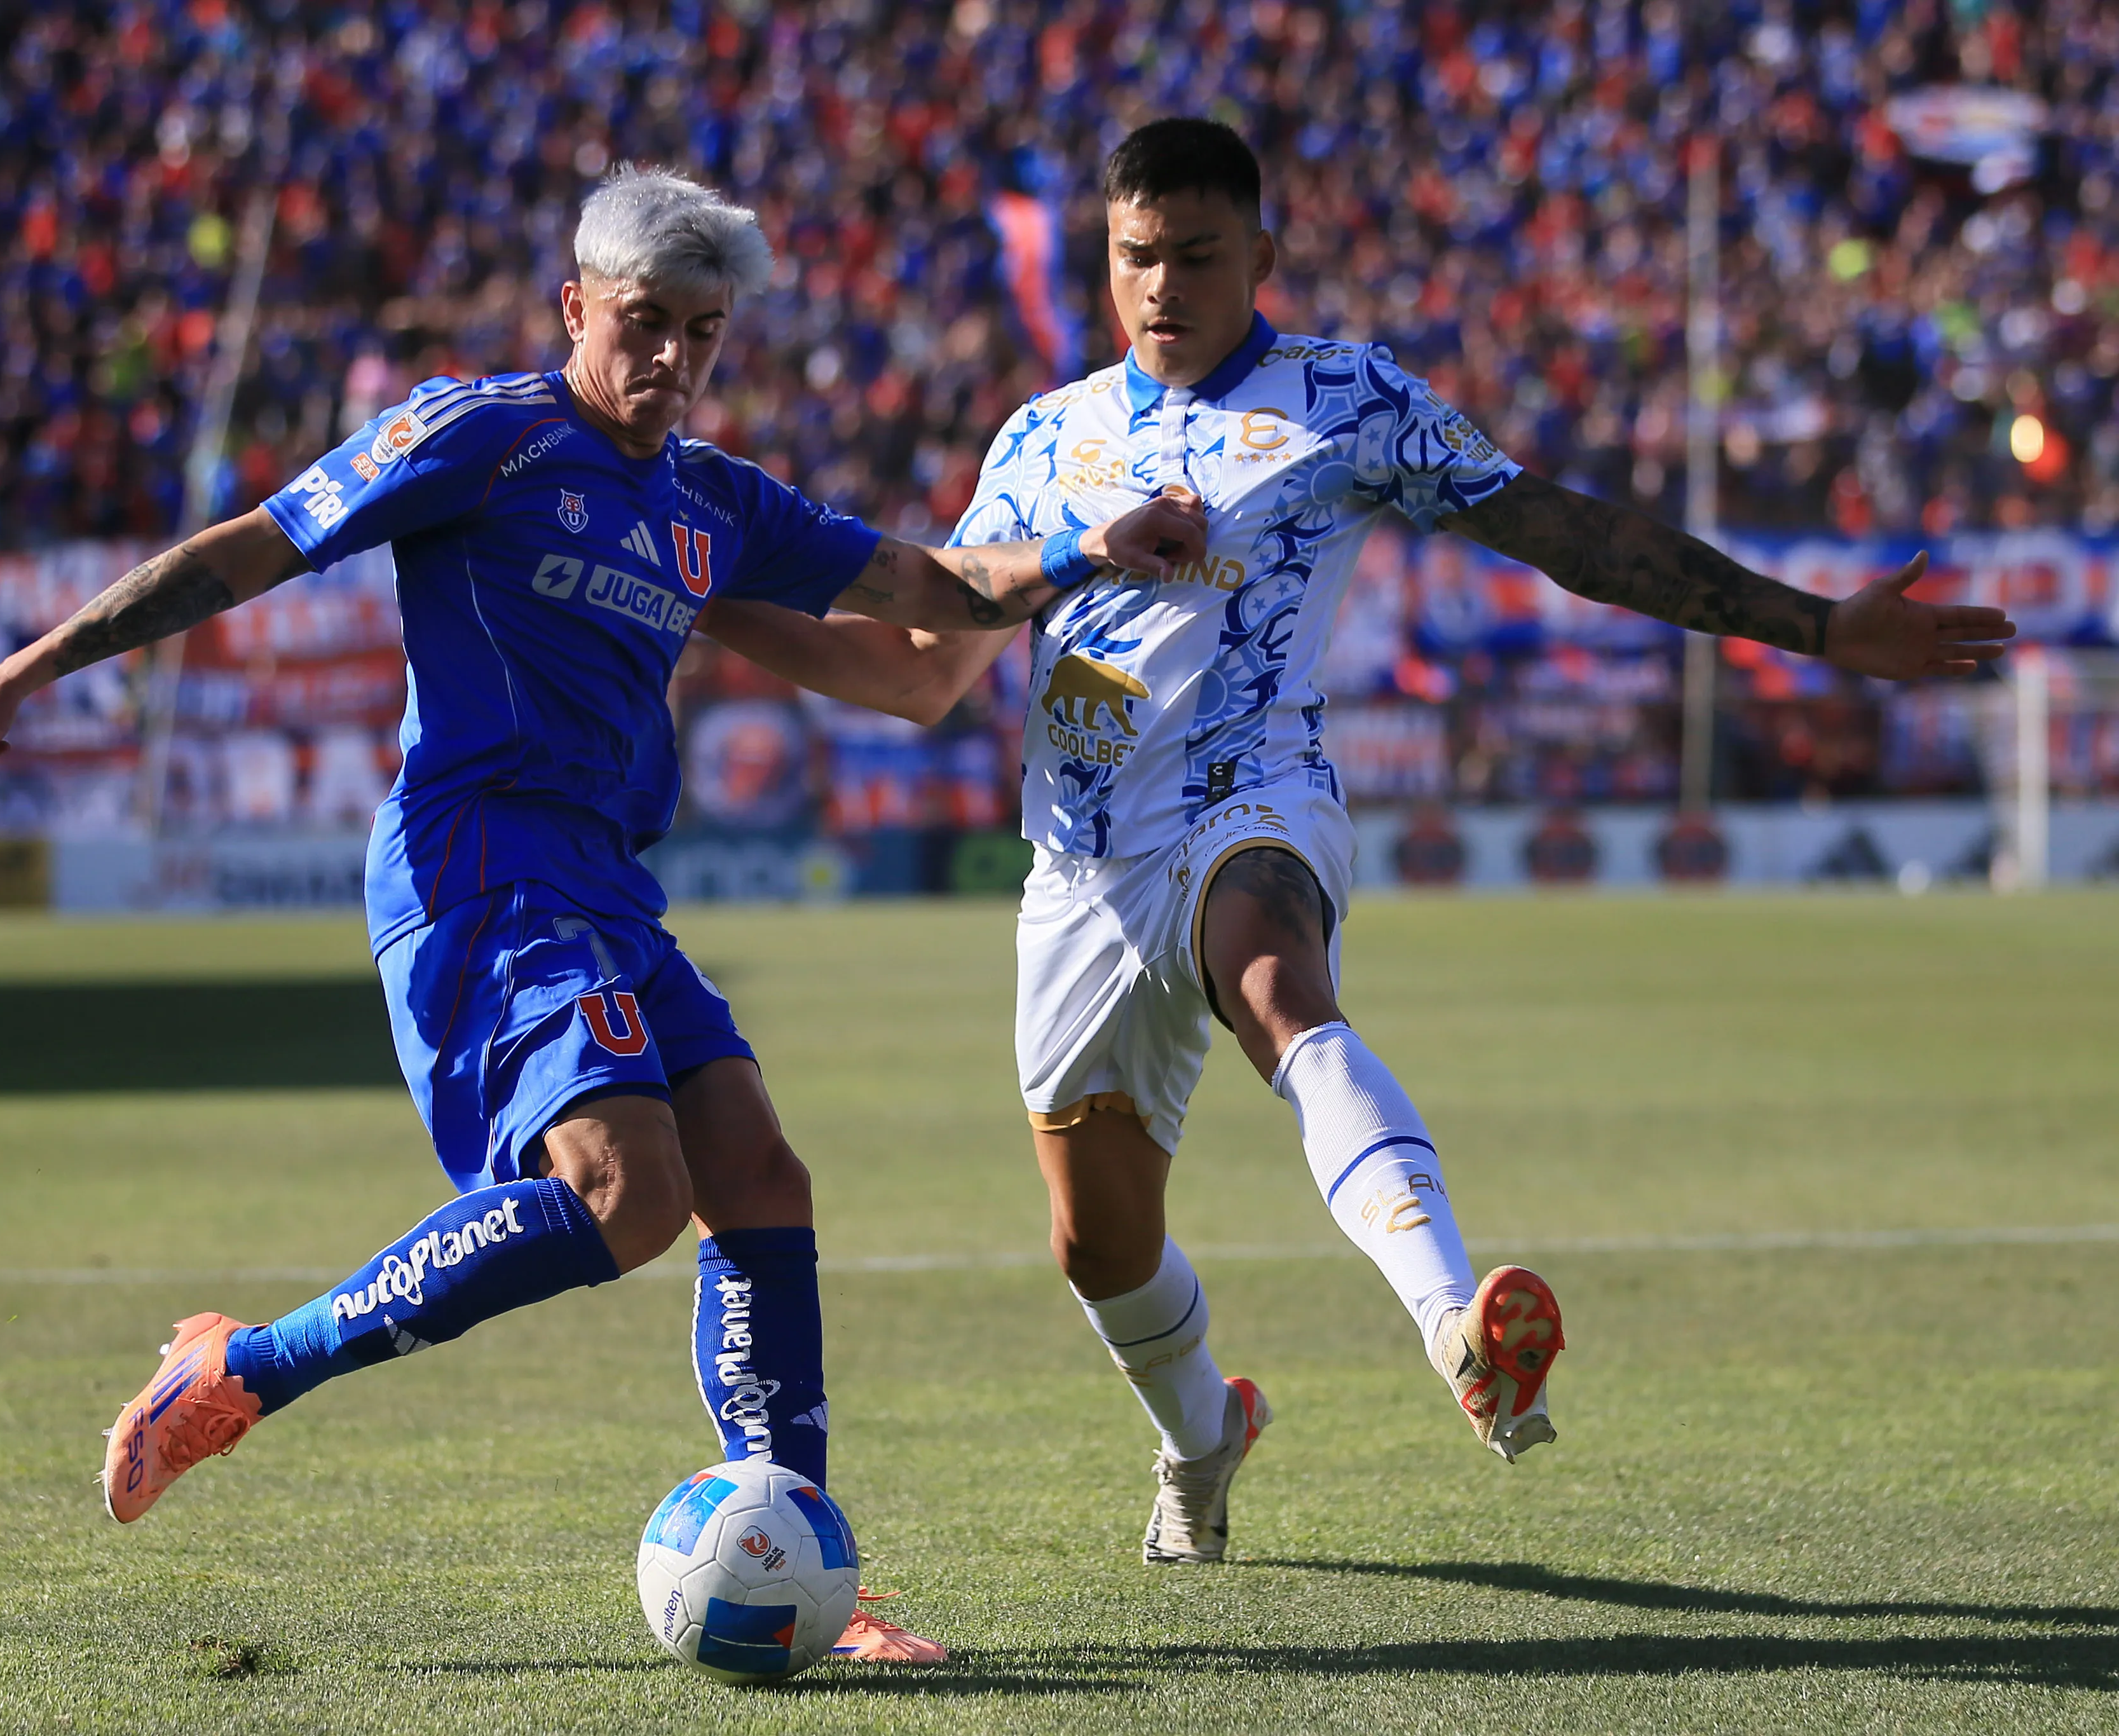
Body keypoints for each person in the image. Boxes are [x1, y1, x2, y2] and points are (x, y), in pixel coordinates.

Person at [0, 167, 1202, 1658]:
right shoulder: (479, 432)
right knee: (626, 1197)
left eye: (703, 334)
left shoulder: (713, 499)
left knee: (760, 1180)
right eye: (643, 323)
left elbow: (928, 582)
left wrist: (1083, 551)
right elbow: (254, 544)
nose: (669, 360)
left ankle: (793, 1557)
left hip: (602, 876)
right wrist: (22, 673)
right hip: (476, 863)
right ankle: (241, 1370)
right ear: (575, 307)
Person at [699, 117, 2015, 1564]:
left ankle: (1458, 1327)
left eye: (1198, 256)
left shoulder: (1345, 398)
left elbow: (1558, 532)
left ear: (1259, 256)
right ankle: (1204, 1432)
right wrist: (698, 602)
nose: (1163, 285)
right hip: (1077, 868)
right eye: (1138, 256)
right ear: (1107, 260)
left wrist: (1816, 625)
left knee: (1275, 983)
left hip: (1250, 800)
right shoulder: (1042, 438)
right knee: (1096, 1246)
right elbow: (916, 668)